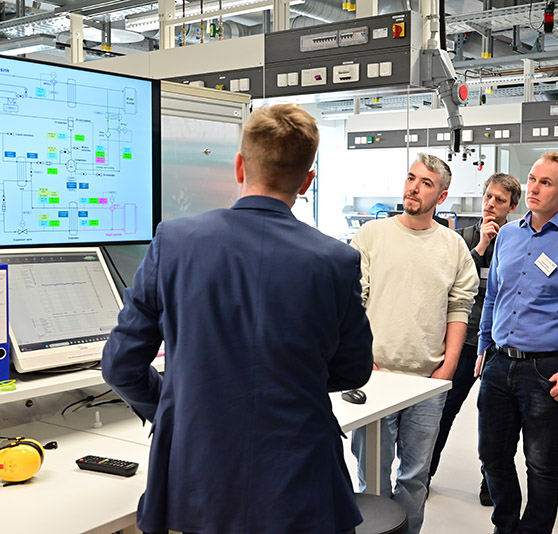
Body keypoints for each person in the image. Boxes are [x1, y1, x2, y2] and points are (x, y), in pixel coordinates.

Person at [101, 104, 374, 534]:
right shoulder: (336, 260)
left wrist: (180, 407)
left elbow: (120, 365)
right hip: (302, 479)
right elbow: (354, 370)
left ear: (240, 166)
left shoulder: (174, 243)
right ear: (307, 181)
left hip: (198, 479)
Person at [476, 152, 558, 534]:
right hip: (499, 362)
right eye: (533, 179)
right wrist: (484, 345)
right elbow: (493, 296)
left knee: (540, 461)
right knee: (492, 455)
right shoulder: (507, 236)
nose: (534, 188)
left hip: (548, 369)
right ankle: (505, 526)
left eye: (546, 183)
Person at [350, 153, 478, 534]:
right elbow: (353, 303)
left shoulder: (453, 246)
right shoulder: (372, 236)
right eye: (411, 178)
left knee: (415, 477)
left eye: (426, 183)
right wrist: (362, 359)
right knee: (371, 477)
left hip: (427, 382)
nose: (413, 188)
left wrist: (448, 367)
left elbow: (459, 307)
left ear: (442, 196)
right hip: (376, 378)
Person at [427, 172, 521, 507]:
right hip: (464, 341)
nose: (491, 204)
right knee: (443, 411)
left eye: (499, 200)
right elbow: (450, 281)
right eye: (488, 197)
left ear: (512, 206)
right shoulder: (462, 238)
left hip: (500, 345)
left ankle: (490, 482)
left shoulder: (518, 240)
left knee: (497, 420)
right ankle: (423, 474)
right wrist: (480, 246)